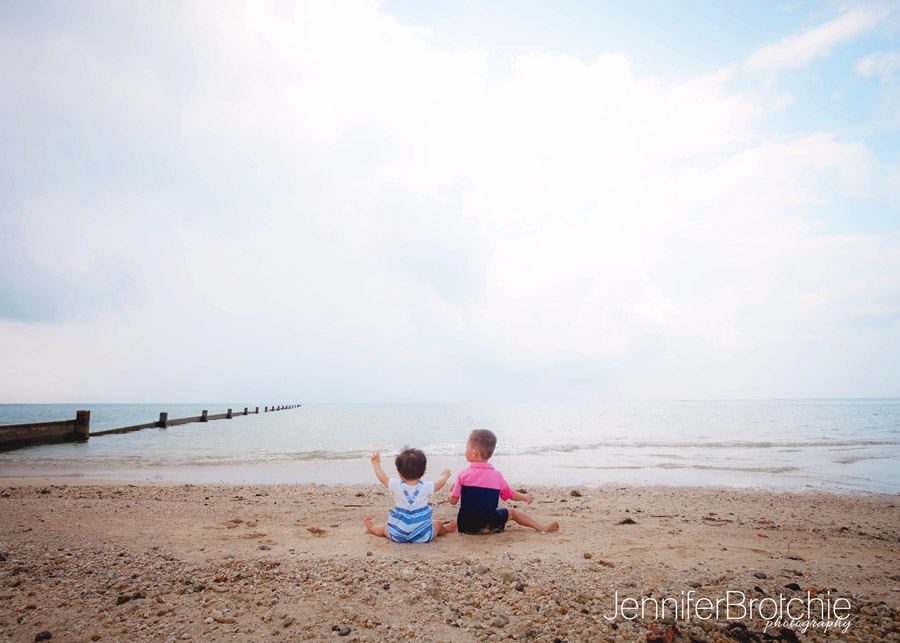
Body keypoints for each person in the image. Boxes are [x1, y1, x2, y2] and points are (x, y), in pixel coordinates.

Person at [449, 429, 558, 534]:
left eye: (466, 447)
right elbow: (511, 495)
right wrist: (524, 497)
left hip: (465, 526)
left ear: (474, 452)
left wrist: (450, 492)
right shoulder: (497, 476)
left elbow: (453, 501)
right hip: (491, 523)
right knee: (512, 512)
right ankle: (539, 526)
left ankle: (478, 527)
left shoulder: (463, 475)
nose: (465, 451)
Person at [364, 448, 457, 543]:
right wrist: (445, 476)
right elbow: (440, 483)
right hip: (422, 535)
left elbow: (382, 477)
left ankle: (372, 527)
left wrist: (376, 463)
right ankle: (445, 529)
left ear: (399, 474)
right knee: (437, 524)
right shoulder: (427, 486)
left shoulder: (395, 485)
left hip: (398, 534)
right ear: (424, 472)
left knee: (384, 528)